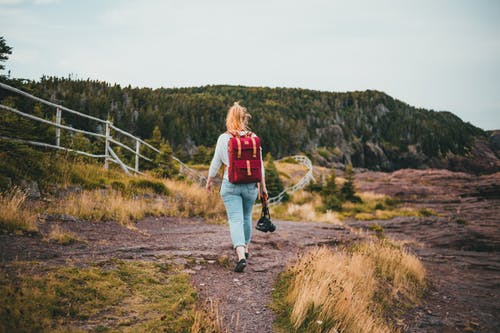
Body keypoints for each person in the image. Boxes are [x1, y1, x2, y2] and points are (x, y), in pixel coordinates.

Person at [206, 102, 267, 273]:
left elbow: (216, 162)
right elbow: (260, 164)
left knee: (235, 220)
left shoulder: (224, 138)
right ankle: (246, 249)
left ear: (229, 118)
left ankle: (240, 255)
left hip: (230, 184)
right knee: (247, 217)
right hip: (251, 185)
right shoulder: (253, 137)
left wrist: (209, 180)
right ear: (244, 118)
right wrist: (263, 187)